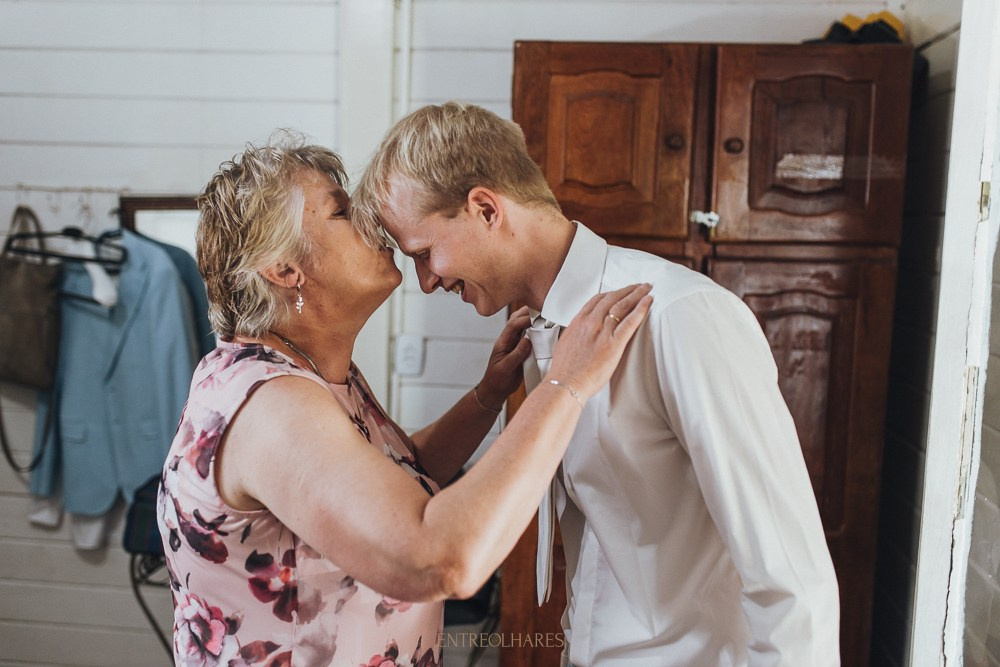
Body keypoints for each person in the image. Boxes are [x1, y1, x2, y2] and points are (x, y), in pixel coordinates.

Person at [351, 102, 841, 666]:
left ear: (485, 209)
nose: (426, 281)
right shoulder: (541, 341)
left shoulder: (680, 316)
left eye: (423, 253)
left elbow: (789, 576)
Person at [155, 137, 652, 666]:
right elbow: (437, 561)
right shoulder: (272, 406)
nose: (369, 223)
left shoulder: (311, 376)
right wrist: (566, 386)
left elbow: (394, 481)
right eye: (342, 212)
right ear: (283, 269)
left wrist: (486, 398)